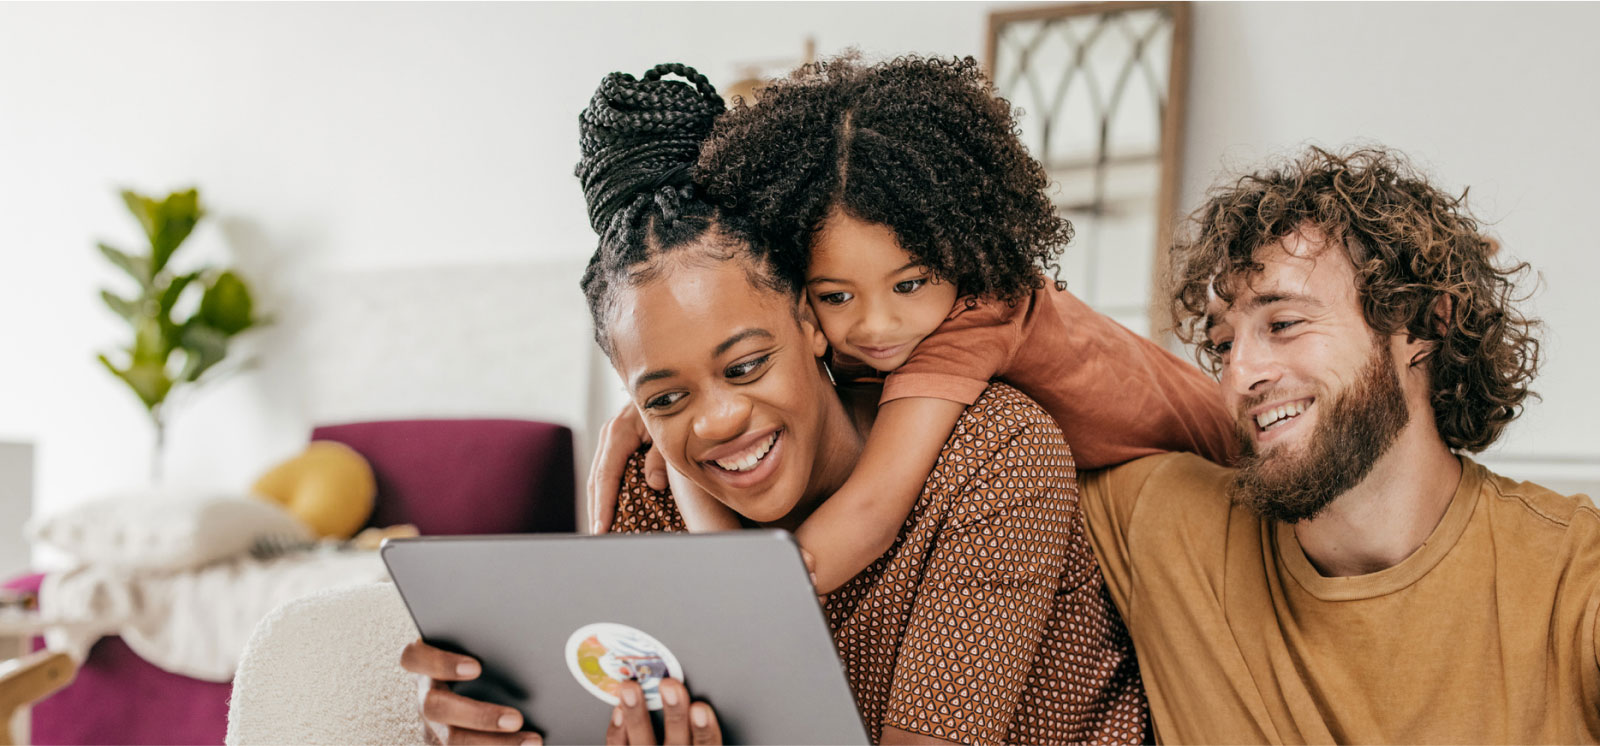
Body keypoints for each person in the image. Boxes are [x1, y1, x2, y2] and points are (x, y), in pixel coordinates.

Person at [401, 63, 1165, 745]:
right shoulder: (655, 488)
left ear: (808, 322)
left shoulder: (990, 452)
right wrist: (506, 723)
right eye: (666, 396)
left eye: (746, 365)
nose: (718, 420)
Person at [588, 55, 1237, 595]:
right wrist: (661, 412)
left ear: (961, 248)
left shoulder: (973, 321)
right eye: (835, 296)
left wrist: (723, 580)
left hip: (1235, 470)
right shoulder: (896, 329)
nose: (876, 325)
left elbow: (868, 516)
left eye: (910, 283)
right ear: (802, 302)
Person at [1077, 145, 1600, 741]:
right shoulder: (1166, 523)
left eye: (1283, 324)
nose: (1240, 376)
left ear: (1424, 327)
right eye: (1223, 345)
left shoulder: (1573, 580)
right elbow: (1007, 326)